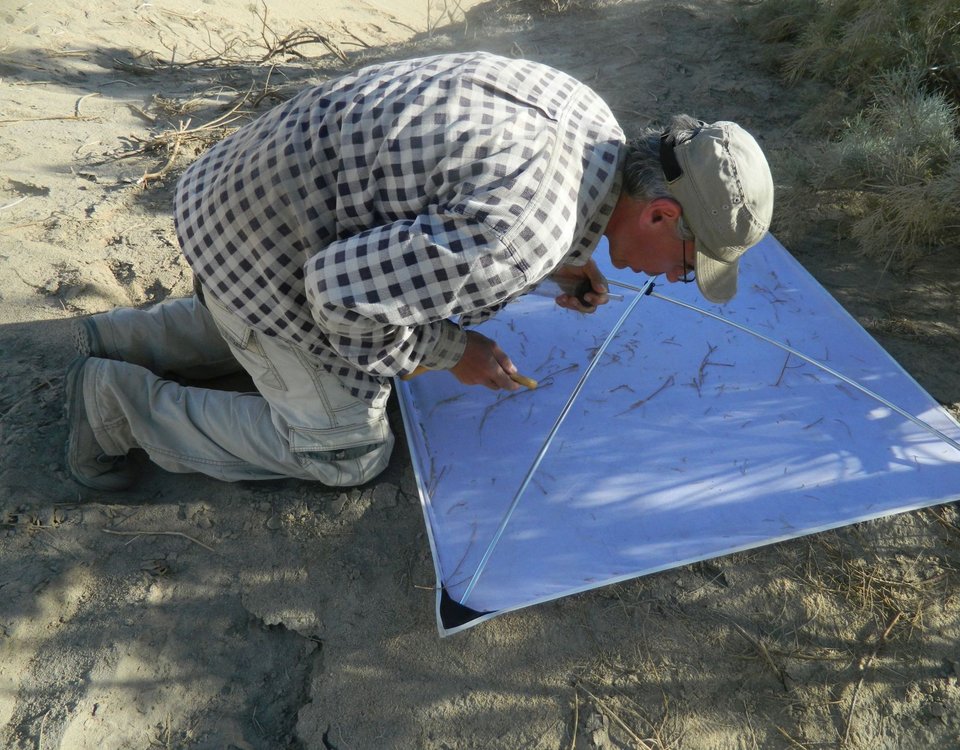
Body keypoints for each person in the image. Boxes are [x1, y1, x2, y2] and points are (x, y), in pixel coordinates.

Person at [65, 51, 773, 492]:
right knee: (347, 451)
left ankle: (122, 336)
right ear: (658, 216)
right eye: (688, 267)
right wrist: (452, 350)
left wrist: (563, 263)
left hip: (239, 191)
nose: (677, 280)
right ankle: (117, 406)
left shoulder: (586, 115)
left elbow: (461, 205)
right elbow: (337, 298)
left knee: (287, 310)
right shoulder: (522, 232)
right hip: (264, 253)